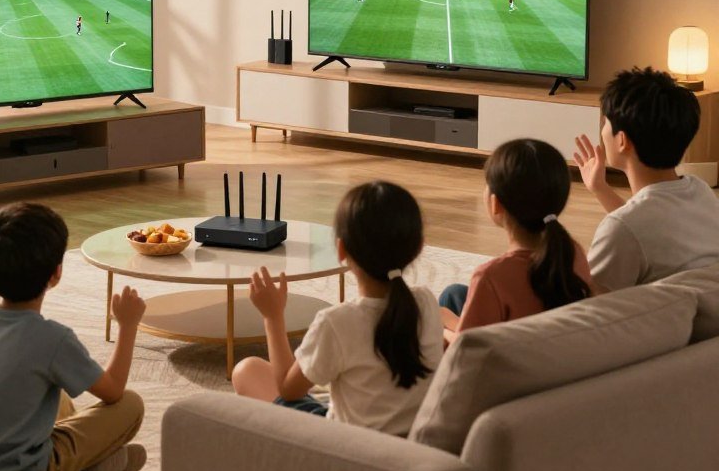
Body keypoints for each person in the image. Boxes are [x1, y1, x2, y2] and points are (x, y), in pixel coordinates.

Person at [0, 203, 147, 471]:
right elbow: (113, 391)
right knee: (131, 404)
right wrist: (128, 325)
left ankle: (93, 456)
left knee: (52, 392)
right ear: (56, 273)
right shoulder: (53, 340)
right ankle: (93, 460)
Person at [231, 181, 443, 436]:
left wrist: (272, 317)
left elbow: (288, 390)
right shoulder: (426, 303)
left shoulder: (337, 322)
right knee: (255, 370)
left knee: (246, 372)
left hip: (345, 450)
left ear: (341, 250)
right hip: (408, 448)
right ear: (419, 246)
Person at [573, 67, 719, 292]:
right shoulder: (701, 192)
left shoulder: (620, 229)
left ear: (622, 140)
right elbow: (646, 225)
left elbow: (587, 305)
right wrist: (600, 188)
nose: (602, 131)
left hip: (660, 326)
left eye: (606, 123)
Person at [439, 139, 595, 345]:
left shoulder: (492, 276)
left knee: (436, 314)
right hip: (552, 355)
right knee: (454, 294)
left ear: (496, 204)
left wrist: (442, 330)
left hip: (509, 370)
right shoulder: (572, 252)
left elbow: (467, 351)